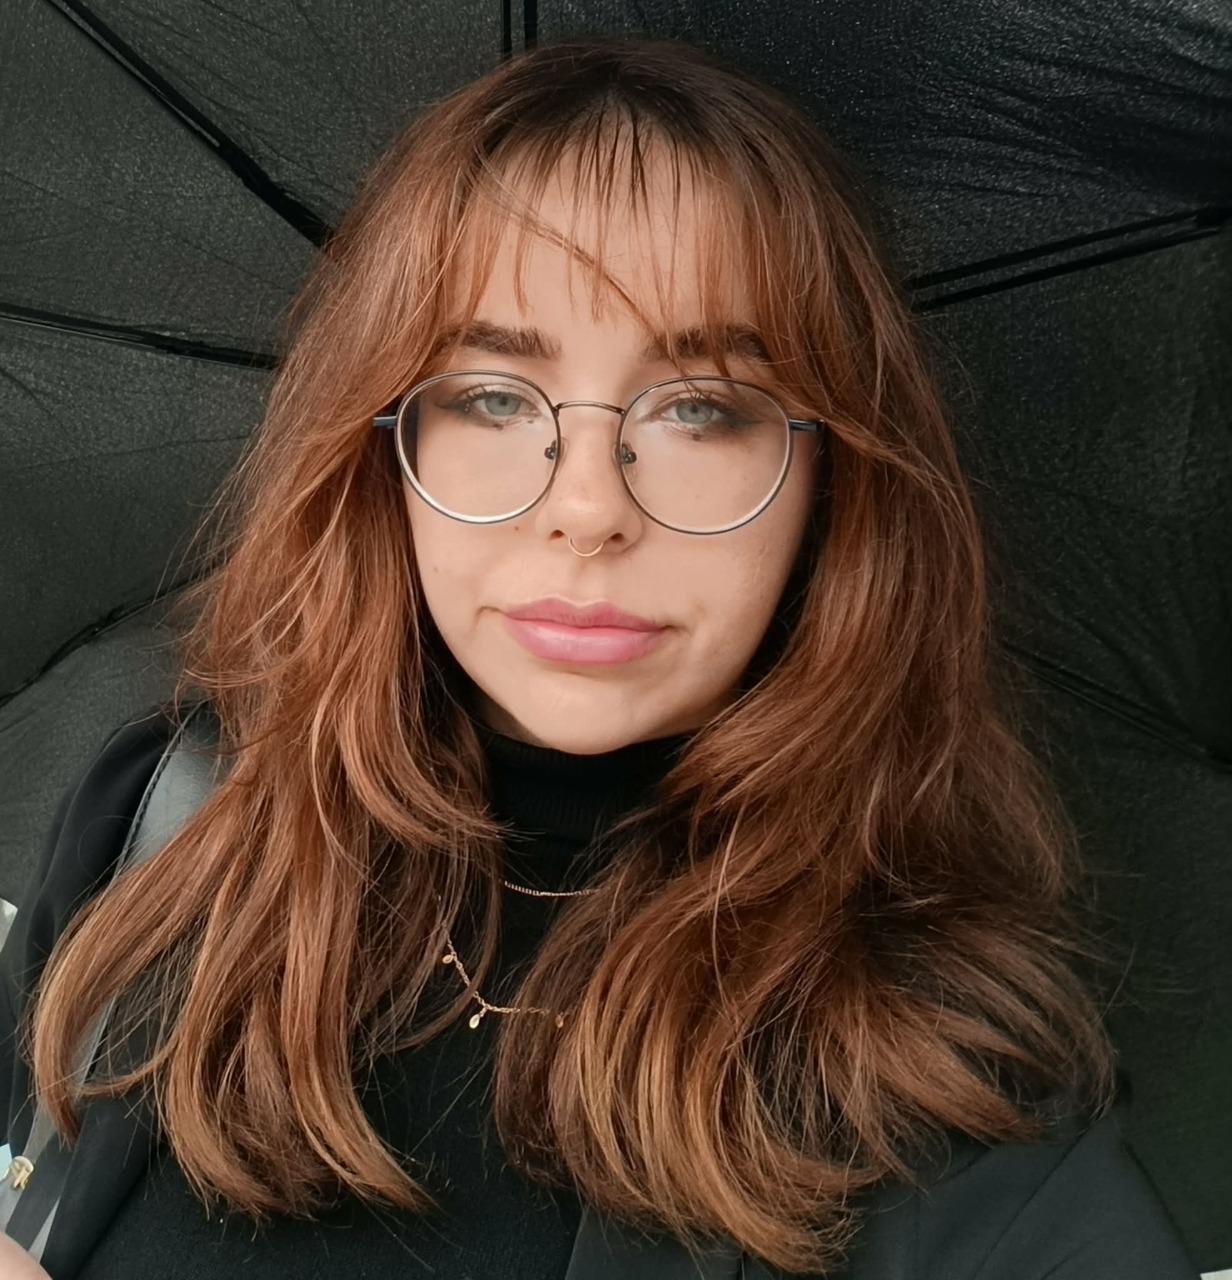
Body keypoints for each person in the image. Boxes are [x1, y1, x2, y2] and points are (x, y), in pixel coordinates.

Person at [0, 32, 1199, 1280]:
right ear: (383, 447)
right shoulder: (167, 823)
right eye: (491, 396)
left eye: (700, 407)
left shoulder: (949, 1083)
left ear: (829, 481)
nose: (587, 506)